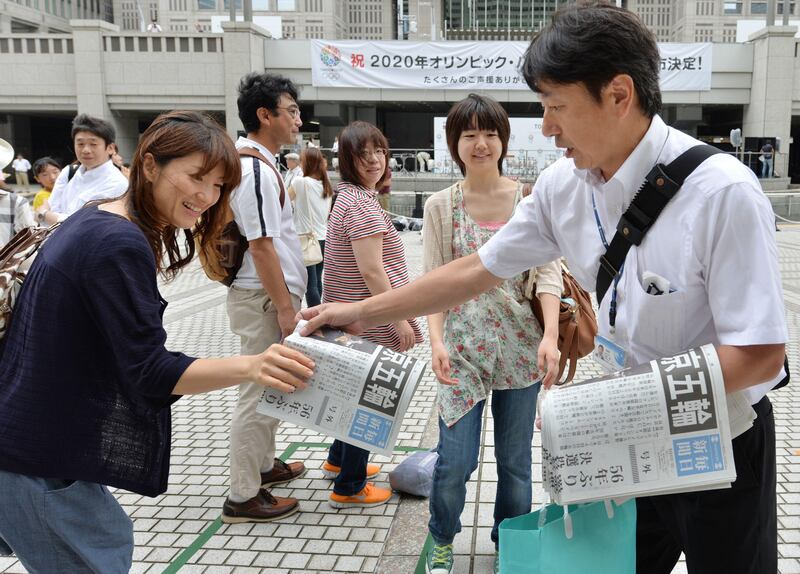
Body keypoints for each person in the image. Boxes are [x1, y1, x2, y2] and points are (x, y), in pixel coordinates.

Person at [299, 4, 786, 574]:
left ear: (618, 94)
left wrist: (617, 406)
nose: (548, 128)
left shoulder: (722, 193)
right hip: (635, 438)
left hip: (720, 439)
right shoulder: (563, 187)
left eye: (556, 107)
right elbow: (475, 270)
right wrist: (359, 310)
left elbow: (758, 355)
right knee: (613, 566)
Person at [0, 110, 314, 573]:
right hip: (36, 457)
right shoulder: (117, 242)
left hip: (31, 443)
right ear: (149, 165)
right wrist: (252, 366)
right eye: (196, 177)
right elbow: (149, 371)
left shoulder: (95, 217)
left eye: (219, 187)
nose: (206, 197)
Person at [422, 94, 562, 574]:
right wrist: (436, 341)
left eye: (489, 133)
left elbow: (547, 272)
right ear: (454, 143)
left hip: (522, 350)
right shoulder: (442, 205)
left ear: (503, 140)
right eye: (468, 134)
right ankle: (442, 537)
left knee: (516, 464)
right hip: (460, 352)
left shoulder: (530, 199)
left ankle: (511, 543)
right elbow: (433, 281)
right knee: (453, 463)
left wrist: (551, 337)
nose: (480, 144)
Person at [221, 72, 309, 524]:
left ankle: (262, 466)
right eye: (291, 110)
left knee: (272, 386)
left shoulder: (263, 162)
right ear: (264, 115)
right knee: (257, 391)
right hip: (262, 297)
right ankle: (242, 496)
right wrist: (286, 307)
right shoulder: (253, 167)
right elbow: (261, 244)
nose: (298, 119)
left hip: (264, 295)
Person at [321, 120, 422, 508]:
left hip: (350, 316)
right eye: (363, 154)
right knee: (367, 400)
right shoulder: (362, 205)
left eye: (379, 151)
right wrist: (397, 316)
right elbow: (372, 271)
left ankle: (337, 461)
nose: (374, 160)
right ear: (347, 159)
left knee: (351, 392)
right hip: (370, 320)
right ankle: (349, 486)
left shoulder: (346, 196)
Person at [39, 114, 128, 224]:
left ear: (110, 148)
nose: (86, 150)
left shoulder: (116, 183)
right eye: (80, 144)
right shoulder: (69, 173)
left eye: (93, 144)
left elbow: (83, 225)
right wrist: (49, 215)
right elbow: (52, 208)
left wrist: (44, 214)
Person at [288, 147, 333, 307]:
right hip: (322, 238)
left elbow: (283, 201)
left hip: (305, 239)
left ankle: (316, 318)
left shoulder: (301, 182)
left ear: (307, 163)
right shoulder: (326, 186)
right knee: (317, 282)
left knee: (310, 285)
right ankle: (319, 314)